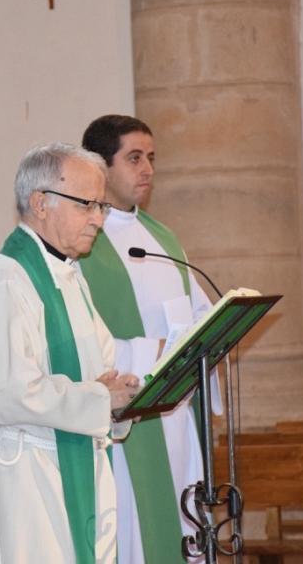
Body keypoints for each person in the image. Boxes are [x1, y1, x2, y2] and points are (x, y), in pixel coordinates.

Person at [0, 142, 140, 564]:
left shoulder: (70, 279)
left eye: (102, 207)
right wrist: (101, 398)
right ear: (40, 203)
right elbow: (10, 392)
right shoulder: (6, 282)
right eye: (88, 204)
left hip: (71, 463)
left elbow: (100, 370)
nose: (99, 220)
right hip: (25, 476)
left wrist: (115, 395)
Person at [79, 115, 223, 564]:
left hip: (177, 416)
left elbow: (201, 315)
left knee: (184, 530)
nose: (148, 170)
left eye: (151, 158)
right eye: (135, 158)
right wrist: (153, 354)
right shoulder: (84, 245)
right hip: (130, 425)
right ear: (99, 167)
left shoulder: (162, 237)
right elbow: (88, 342)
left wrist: (211, 339)